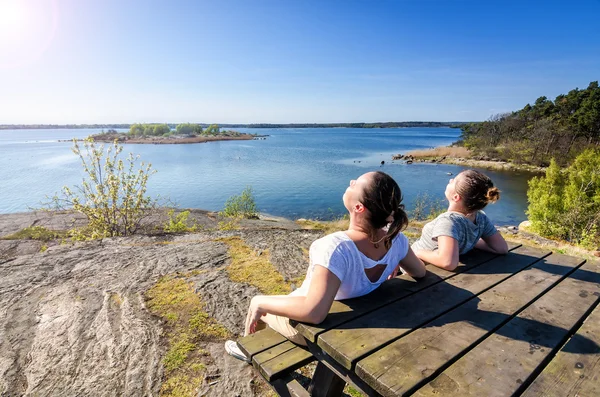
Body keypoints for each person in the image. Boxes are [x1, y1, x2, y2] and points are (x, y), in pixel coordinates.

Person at [225, 171, 426, 361]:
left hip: (311, 333)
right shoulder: (396, 241)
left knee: (260, 306)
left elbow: (314, 312)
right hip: (357, 321)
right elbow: (419, 271)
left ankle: (247, 351)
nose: (351, 183)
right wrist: (391, 263)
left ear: (358, 207)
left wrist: (259, 301)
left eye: (355, 183)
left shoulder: (337, 247)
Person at [411, 169, 508, 271]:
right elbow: (501, 248)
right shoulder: (480, 218)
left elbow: (448, 262)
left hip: (416, 268)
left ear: (456, 197)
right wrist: (471, 243)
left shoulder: (448, 221)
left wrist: (418, 252)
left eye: (454, 181)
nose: (450, 180)